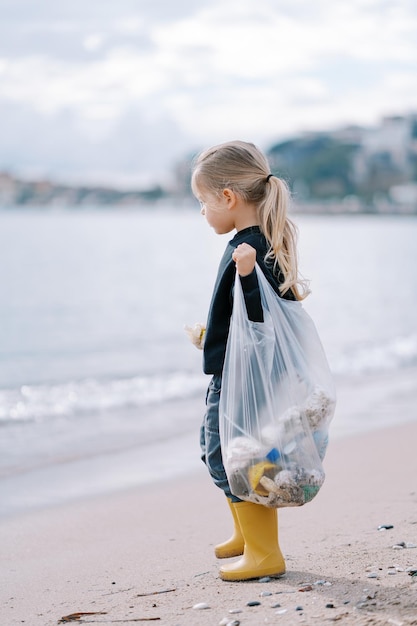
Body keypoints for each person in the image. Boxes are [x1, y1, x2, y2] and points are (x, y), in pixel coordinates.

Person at [190, 140, 309, 582]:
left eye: (203, 201)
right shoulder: (252, 241)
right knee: (218, 451)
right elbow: (242, 313)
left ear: (228, 197)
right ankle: (246, 534)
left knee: (237, 458)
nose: (202, 211)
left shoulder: (251, 248)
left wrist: (246, 275)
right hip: (236, 368)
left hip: (245, 376)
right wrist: (211, 335)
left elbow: (263, 316)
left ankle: (265, 553)